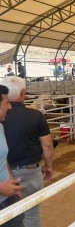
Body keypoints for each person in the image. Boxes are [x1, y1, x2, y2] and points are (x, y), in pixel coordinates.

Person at [0, 77, 55, 227]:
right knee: (32, 212)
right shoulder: (35, 115)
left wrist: (9, 175)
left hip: (7, 174)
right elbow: (47, 145)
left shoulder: (2, 122)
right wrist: (49, 166)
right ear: (23, 92)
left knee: (12, 217)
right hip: (29, 171)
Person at [0, 84, 24, 227]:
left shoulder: (0, 127)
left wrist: (12, 181)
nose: (10, 107)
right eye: (6, 103)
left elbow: (3, 159)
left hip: (8, 199)